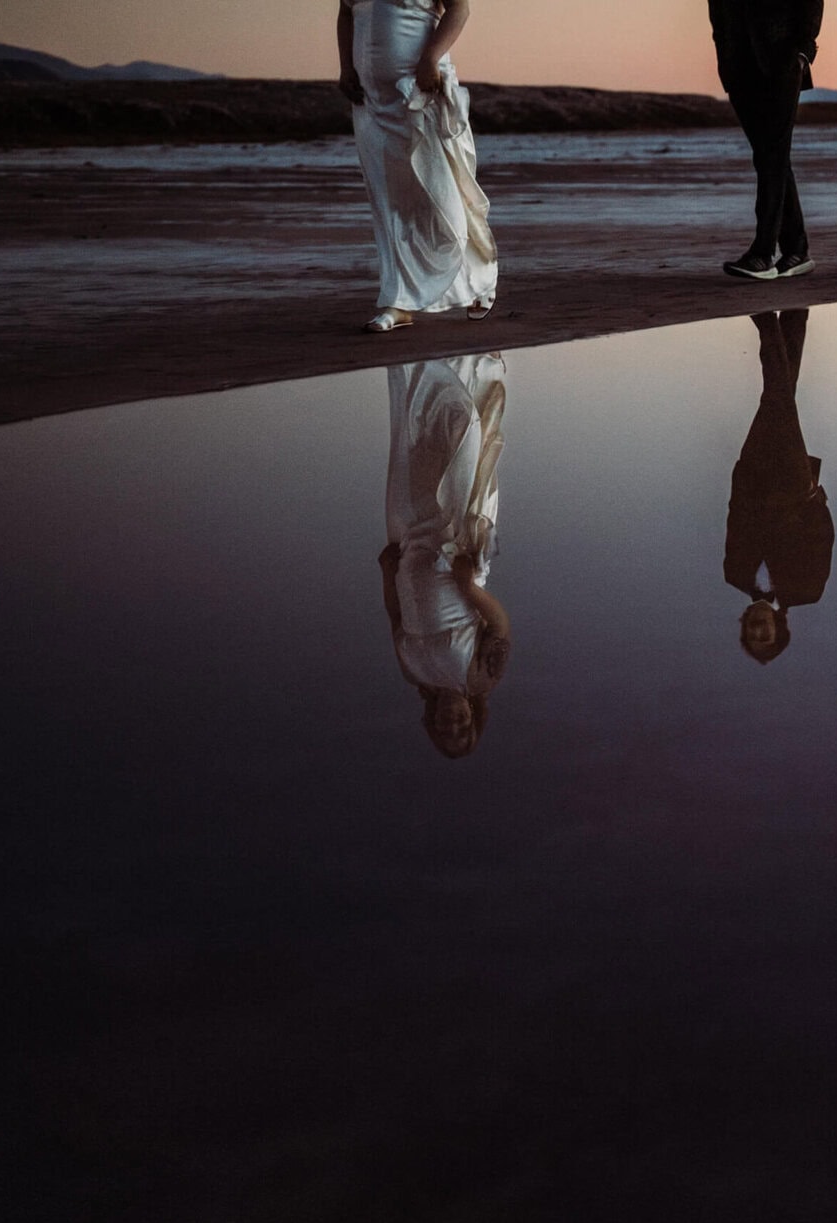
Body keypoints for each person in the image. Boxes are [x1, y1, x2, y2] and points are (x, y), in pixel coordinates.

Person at [337, 0, 498, 332]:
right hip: (370, 100)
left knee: (442, 194)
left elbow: (459, 9)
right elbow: (345, 11)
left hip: (418, 89)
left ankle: (477, 277)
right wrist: (345, 67)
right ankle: (398, 302)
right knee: (389, 198)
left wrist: (430, 58)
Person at [379, 354, 511, 757]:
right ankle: (468, 361)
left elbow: (397, 619)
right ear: (472, 713)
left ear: (433, 722)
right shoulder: (479, 680)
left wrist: (387, 574)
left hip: (408, 547)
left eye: (444, 727)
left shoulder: (414, 675)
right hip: (452, 553)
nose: (451, 721)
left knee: (413, 448)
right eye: (462, 725)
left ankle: (416, 360)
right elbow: (501, 628)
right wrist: (467, 587)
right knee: (463, 439)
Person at [724, 309, 832, 662]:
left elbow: (734, 522)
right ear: (778, 626)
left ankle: (794, 317)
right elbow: (823, 540)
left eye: (750, 633)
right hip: (792, 485)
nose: (756, 628)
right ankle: (767, 323)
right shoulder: (807, 591)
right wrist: (813, 500)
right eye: (764, 634)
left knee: (780, 398)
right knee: (777, 402)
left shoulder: (735, 574)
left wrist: (739, 480)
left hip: (753, 475)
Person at [709, 1, 824, 281]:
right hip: (738, 69)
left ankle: (762, 254)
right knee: (769, 157)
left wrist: (802, 52)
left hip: (781, 64)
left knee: (772, 156)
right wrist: (725, 64)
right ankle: (797, 251)